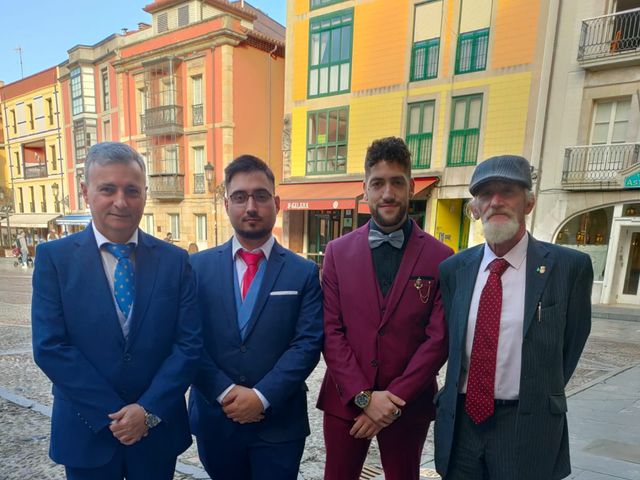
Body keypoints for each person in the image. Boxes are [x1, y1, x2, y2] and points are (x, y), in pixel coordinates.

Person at [31, 142, 202, 480]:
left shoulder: (175, 261)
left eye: (132, 190)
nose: (121, 202)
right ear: (85, 191)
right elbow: (50, 346)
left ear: (145, 194)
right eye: (107, 189)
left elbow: (188, 346)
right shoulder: (54, 259)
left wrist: (148, 411)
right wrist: (114, 415)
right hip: (86, 432)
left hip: (157, 434)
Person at [434, 155, 593, 480]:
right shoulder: (454, 270)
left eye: (508, 191)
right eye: (485, 194)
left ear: (529, 202)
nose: (496, 201)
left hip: (526, 424)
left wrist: (535, 389)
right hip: (461, 425)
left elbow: (570, 347)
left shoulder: (569, 268)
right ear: (475, 208)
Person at [317, 137, 453, 480]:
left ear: (411, 188)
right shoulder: (336, 252)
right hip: (345, 399)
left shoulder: (441, 258)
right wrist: (364, 398)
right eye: (378, 183)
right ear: (365, 189)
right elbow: (331, 332)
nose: (387, 193)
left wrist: (392, 400)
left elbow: (438, 340)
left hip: (410, 403)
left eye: (397, 182)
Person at [189, 154, 323, 480]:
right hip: (216, 418)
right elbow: (188, 339)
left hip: (279, 423)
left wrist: (262, 397)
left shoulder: (302, 272)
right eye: (240, 197)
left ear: (275, 203)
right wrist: (225, 392)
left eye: (260, 196)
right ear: (226, 205)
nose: (251, 206)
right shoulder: (196, 268)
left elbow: (307, 343)